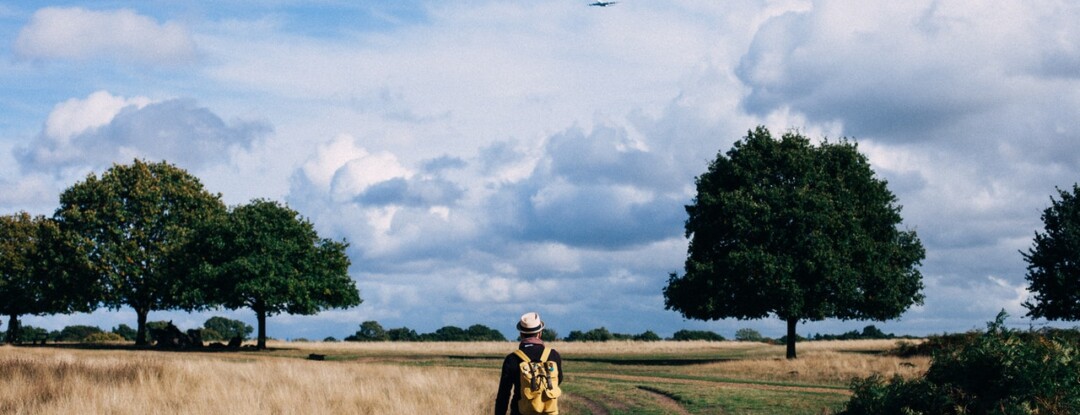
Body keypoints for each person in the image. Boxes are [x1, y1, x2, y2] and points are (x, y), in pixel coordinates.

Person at [495, 312, 564, 415]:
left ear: (521, 334)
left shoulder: (512, 359)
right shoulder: (553, 355)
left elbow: (503, 394)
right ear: (540, 333)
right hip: (548, 411)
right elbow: (559, 380)